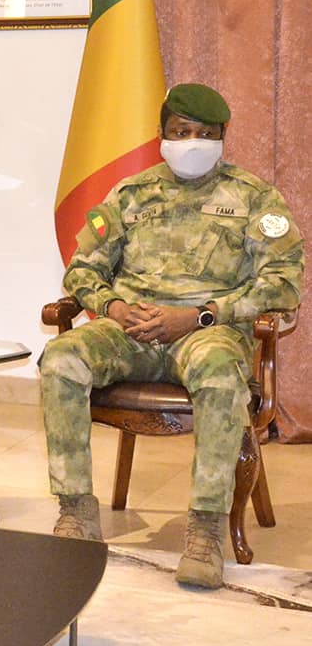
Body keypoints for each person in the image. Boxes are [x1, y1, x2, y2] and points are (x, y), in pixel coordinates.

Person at [39, 85, 303, 589]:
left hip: (207, 332)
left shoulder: (256, 199)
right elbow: (82, 269)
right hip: (130, 329)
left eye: (206, 134)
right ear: (162, 135)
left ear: (223, 137)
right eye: (182, 132)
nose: (193, 142)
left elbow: (283, 284)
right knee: (61, 360)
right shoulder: (129, 195)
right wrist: (114, 307)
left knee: (224, 378)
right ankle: (75, 512)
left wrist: (200, 315)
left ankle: (205, 532)